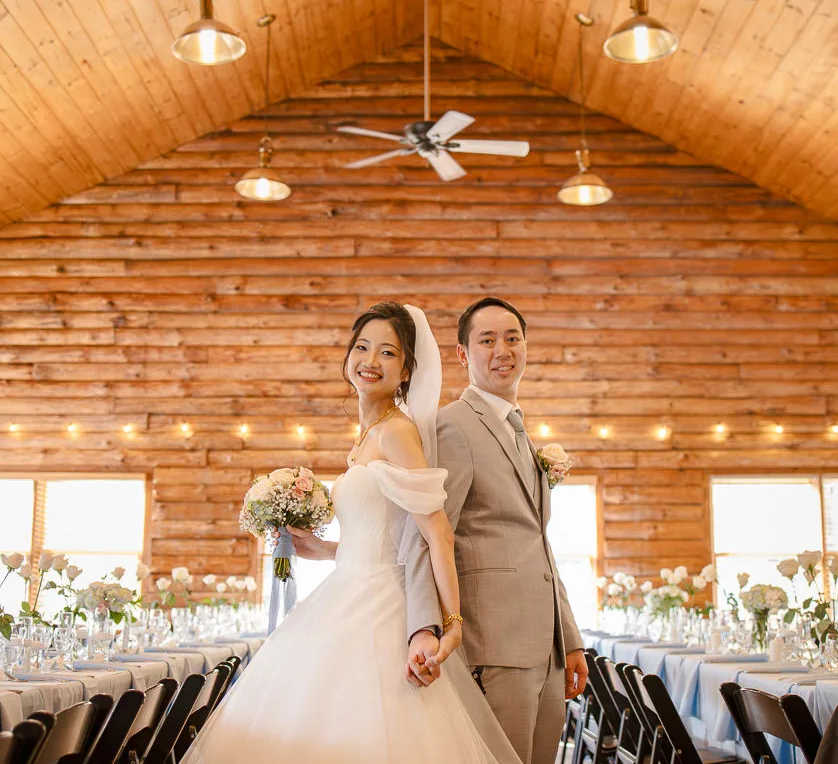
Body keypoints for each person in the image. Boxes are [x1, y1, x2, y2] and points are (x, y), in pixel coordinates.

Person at [182, 302, 520, 764]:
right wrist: (322, 548)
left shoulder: (397, 432)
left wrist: (452, 625)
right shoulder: (365, 436)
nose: (370, 361)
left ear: (405, 372)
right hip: (344, 590)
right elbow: (381, 535)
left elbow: (436, 533)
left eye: (387, 353)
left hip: (379, 608)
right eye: (362, 347)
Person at [402, 297, 587, 764]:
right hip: (492, 645)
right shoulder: (453, 427)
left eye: (512, 338)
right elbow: (428, 536)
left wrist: (571, 640)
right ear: (463, 354)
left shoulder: (520, 431)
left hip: (546, 648)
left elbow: (537, 545)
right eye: (487, 340)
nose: (502, 349)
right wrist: (423, 628)